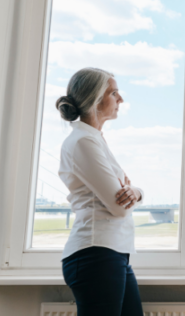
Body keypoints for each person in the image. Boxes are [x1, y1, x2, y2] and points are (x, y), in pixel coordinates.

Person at [55, 67, 144, 316]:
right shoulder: (84, 142)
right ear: (95, 98)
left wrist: (135, 191)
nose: (121, 100)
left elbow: (127, 194)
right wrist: (129, 192)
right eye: (114, 93)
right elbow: (118, 206)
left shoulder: (94, 139)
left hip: (112, 254)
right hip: (96, 255)